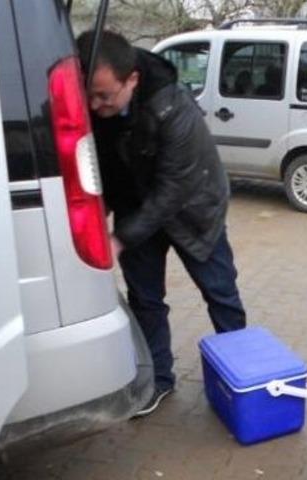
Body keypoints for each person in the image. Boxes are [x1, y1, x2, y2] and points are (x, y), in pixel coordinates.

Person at [76, 30, 247, 417]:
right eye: (89, 95)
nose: (95, 104)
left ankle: (240, 376)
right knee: (146, 301)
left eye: (104, 95)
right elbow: (93, 169)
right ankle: (158, 381)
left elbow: (174, 189)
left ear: (132, 80)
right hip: (135, 206)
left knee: (221, 294)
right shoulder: (90, 107)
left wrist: (119, 238)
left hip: (193, 209)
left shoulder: (172, 107)